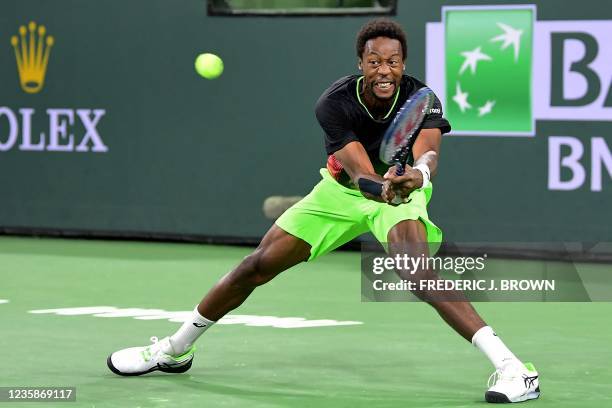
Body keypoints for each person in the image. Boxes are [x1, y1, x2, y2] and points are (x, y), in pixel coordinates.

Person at [107, 18, 540, 404]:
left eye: (392, 62)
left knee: (417, 272)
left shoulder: (422, 99)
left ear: (403, 64)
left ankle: (515, 369)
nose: (384, 70)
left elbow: (429, 157)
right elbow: (359, 173)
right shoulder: (334, 103)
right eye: (374, 62)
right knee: (255, 266)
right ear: (361, 62)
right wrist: (379, 186)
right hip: (341, 192)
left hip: (401, 193)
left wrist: (417, 180)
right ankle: (173, 350)